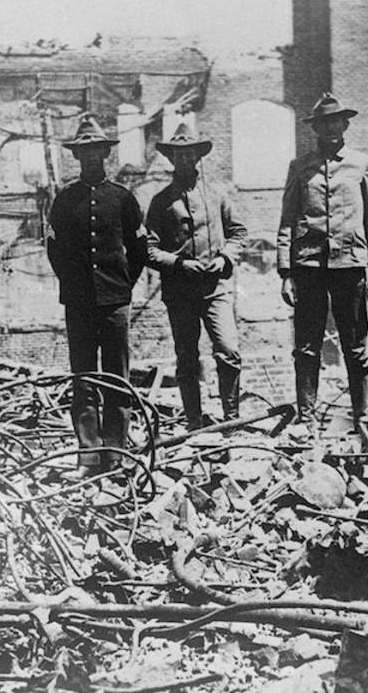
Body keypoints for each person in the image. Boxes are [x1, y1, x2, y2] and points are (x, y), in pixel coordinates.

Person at [277, 93, 368, 443]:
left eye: (337, 122)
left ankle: (362, 419)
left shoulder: (362, 164)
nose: (331, 128)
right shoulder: (300, 166)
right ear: (317, 129)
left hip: (350, 266)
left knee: (355, 347)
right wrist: (285, 272)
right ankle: (307, 422)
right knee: (306, 347)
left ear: (346, 124)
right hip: (309, 266)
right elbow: (287, 220)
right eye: (325, 123)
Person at [46, 114, 147, 475]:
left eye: (97, 151)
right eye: (84, 152)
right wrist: (73, 286)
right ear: (77, 156)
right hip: (78, 304)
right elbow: (55, 251)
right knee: (84, 379)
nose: (91, 157)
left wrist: (122, 284)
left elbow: (138, 252)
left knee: (117, 379)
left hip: (115, 302)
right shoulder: (64, 200)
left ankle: (116, 457)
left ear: (106, 154)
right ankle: (89, 457)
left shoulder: (122, 199)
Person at [145, 124, 248, 430]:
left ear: (198, 157)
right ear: (172, 160)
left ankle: (231, 421)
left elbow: (239, 234)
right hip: (180, 293)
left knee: (228, 351)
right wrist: (178, 264)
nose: (186, 161)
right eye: (180, 156)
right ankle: (194, 424)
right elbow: (148, 249)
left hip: (216, 289)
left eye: (190, 155)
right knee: (187, 358)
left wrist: (225, 257)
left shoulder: (218, 196)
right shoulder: (160, 202)